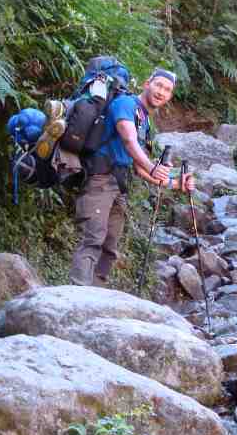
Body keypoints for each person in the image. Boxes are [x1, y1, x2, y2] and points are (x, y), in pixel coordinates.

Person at [68, 68, 195, 286]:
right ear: (147, 84)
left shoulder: (144, 120)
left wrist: (175, 183)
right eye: (159, 85)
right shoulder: (125, 104)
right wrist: (152, 166)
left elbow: (139, 168)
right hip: (99, 180)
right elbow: (129, 140)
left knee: (110, 246)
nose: (161, 92)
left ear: (170, 96)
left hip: (117, 186)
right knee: (93, 239)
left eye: (167, 90)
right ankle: (77, 295)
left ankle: (96, 297)